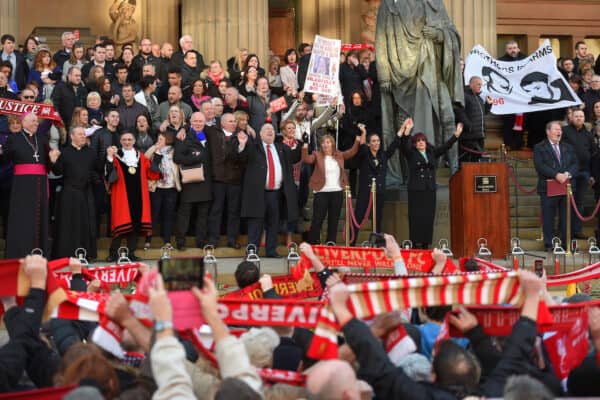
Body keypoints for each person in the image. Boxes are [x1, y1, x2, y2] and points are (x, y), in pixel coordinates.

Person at [376, 0, 463, 182]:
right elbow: (381, 38)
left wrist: (439, 34)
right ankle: (408, 173)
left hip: (431, 71)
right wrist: (383, 72)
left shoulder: (434, 3)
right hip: (401, 74)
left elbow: (451, 32)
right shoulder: (388, 5)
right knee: (403, 124)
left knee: (447, 117)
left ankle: (455, 168)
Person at [237, 124, 301, 257]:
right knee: (255, 223)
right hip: (257, 193)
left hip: (276, 193)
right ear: (260, 134)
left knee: (274, 223)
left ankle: (271, 251)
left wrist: (301, 143)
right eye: (266, 130)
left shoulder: (281, 148)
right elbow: (241, 158)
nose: (270, 132)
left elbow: (295, 158)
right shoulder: (253, 147)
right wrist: (242, 145)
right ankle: (252, 251)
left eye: (272, 130)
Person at [400, 118, 462, 249]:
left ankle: (425, 243)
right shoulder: (411, 154)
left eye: (423, 140)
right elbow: (403, 145)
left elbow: (445, 147)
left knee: (428, 217)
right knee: (416, 217)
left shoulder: (432, 153)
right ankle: (415, 243)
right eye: (418, 141)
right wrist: (407, 131)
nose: (421, 143)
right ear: (415, 144)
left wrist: (455, 136)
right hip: (416, 191)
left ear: (426, 142)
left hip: (429, 190)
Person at [0, 113, 51, 258]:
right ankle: (20, 252)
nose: (36, 123)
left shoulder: (42, 138)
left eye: (37, 121)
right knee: (22, 217)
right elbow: (5, 160)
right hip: (22, 185)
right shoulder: (14, 138)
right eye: (33, 121)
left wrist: (52, 160)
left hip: (40, 183)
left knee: (39, 216)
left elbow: (47, 164)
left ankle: (39, 251)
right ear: (24, 122)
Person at [302, 130, 364, 244]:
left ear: (332, 144)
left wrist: (358, 138)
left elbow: (352, 152)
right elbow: (306, 159)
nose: (326, 144)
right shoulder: (317, 155)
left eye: (328, 142)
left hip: (337, 192)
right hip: (321, 192)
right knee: (317, 220)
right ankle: (313, 243)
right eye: (324, 143)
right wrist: (305, 144)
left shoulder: (339, 155)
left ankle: (330, 243)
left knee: (333, 220)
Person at [105, 131, 159, 261]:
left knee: (135, 224)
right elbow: (109, 175)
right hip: (122, 196)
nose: (127, 142)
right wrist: (109, 158)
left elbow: (152, 174)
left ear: (134, 141)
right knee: (120, 223)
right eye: (124, 140)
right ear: (120, 142)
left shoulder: (140, 156)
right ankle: (113, 253)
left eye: (130, 139)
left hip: (139, 195)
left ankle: (131, 253)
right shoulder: (116, 156)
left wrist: (157, 158)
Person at [50, 126, 101, 260]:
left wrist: (109, 157)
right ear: (72, 136)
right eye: (80, 134)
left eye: (84, 134)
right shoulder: (65, 152)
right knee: (67, 223)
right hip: (69, 194)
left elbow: (97, 169)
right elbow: (58, 172)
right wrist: (53, 160)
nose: (83, 136)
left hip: (85, 193)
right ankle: (65, 254)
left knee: (85, 224)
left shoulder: (90, 152)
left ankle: (84, 254)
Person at [533, 120, 579, 251]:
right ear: (548, 132)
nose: (559, 132)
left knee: (566, 217)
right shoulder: (540, 147)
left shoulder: (568, 147)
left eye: (560, 130)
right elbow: (540, 166)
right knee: (548, 217)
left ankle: (565, 243)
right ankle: (549, 244)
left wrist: (568, 174)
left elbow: (576, 163)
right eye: (556, 129)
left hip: (566, 187)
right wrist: (556, 175)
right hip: (548, 188)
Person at [352, 125, 401, 243]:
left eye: (378, 141)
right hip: (365, 192)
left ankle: (376, 244)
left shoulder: (383, 156)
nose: (377, 143)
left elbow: (393, 146)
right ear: (369, 144)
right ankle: (352, 243)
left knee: (377, 219)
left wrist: (402, 129)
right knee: (358, 217)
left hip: (379, 192)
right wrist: (364, 131)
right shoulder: (365, 155)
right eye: (374, 141)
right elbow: (362, 146)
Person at [173, 111, 212, 250]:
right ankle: (181, 242)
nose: (198, 124)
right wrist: (196, 157)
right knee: (184, 214)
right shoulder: (183, 136)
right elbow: (177, 157)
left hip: (206, 182)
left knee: (203, 215)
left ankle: (201, 242)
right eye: (195, 121)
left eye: (201, 121)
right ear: (190, 122)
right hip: (190, 181)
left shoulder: (206, 134)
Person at [206, 113, 245, 248]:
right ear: (222, 123)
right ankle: (213, 240)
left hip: (235, 179)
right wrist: (184, 128)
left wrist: (242, 145)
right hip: (218, 179)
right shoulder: (212, 132)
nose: (234, 123)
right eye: (230, 121)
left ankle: (232, 240)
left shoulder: (242, 135)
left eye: (235, 121)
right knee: (216, 210)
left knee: (234, 211)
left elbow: (244, 157)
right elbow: (197, 129)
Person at [145, 130, 180, 249]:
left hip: (171, 187)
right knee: (153, 215)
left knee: (168, 215)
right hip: (157, 187)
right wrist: (155, 147)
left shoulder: (174, 151)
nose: (158, 141)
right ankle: (148, 240)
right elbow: (145, 158)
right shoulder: (155, 150)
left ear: (168, 139)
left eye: (161, 139)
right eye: (158, 139)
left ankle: (167, 241)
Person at [561, 109, 593, 239]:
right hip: (569, 172)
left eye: (581, 116)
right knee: (566, 202)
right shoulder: (565, 132)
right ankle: (564, 231)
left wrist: (592, 174)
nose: (579, 118)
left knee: (579, 202)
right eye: (576, 116)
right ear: (571, 117)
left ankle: (577, 230)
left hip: (584, 172)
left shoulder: (588, 134)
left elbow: (593, 154)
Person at [456, 76, 492, 163]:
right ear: (471, 84)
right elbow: (460, 112)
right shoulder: (464, 96)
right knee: (466, 160)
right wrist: (469, 126)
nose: (480, 86)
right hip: (468, 136)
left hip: (479, 136)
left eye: (481, 85)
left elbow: (483, 113)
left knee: (477, 160)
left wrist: (488, 105)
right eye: (478, 84)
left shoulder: (479, 98)